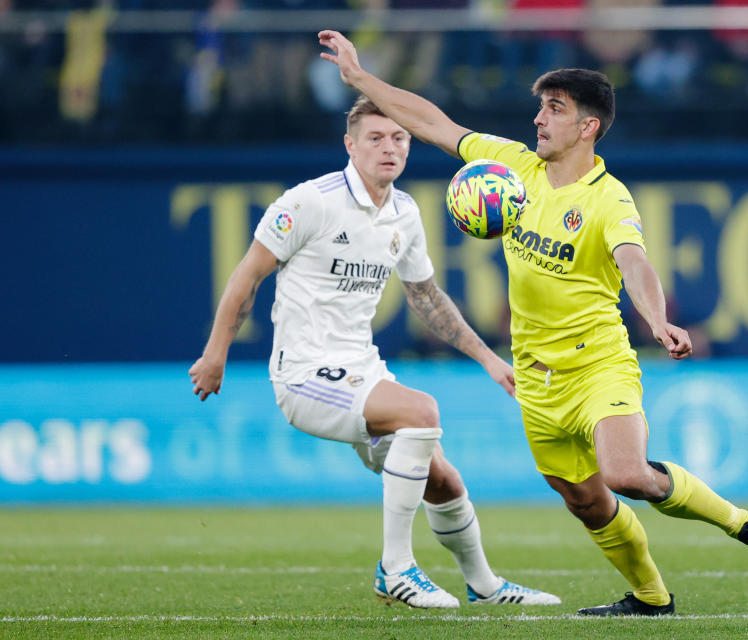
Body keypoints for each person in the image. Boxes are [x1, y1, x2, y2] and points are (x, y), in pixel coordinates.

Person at [316, 30, 748, 616]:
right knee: (585, 501)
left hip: (598, 364)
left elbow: (635, 263)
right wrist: (362, 79)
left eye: (555, 109)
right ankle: (652, 598)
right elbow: (433, 123)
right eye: (541, 106)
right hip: (537, 377)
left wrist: (658, 319)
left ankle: (743, 524)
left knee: (624, 474)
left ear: (587, 126)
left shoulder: (608, 199)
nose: (539, 119)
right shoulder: (513, 167)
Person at [188, 95, 560, 610]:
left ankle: (485, 586)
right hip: (302, 373)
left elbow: (427, 297)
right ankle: (396, 568)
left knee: (442, 477)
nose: (390, 148)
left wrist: (490, 359)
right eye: (376, 138)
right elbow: (247, 276)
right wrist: (215, 355)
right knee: (422, 412)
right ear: (350, 144)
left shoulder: (404, 212)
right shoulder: (309, 202)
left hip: (360, 369)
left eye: (400, 137)